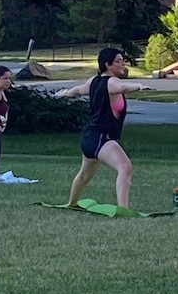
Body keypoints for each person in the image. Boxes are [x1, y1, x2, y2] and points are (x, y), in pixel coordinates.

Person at [54, 48, 149, 208]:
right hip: (101, 138)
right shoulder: (112, 82)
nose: (122, 64)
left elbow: (77, 91)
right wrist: (139, 85)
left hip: (90, 138)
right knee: (125, 167)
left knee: (84, 175)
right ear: (108, 64)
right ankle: (123, 209)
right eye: (119, 61)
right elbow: (123, 87)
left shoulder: (93, 81)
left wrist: (63, 93)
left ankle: (72, 203)